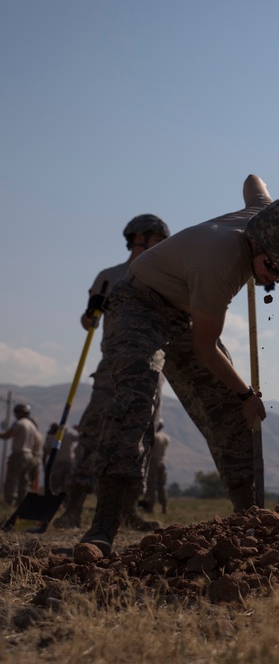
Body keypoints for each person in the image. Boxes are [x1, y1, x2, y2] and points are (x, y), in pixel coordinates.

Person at [77, 175, 279, 557]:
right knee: (135, 400)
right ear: (258, 243)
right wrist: (246, 392)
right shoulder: (219, 267)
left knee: (230, 411)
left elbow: (253, 182)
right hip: (139, 304)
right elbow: (205, 348)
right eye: (274, 268)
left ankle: (251, 520)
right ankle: (104, 526)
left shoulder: (268, 216)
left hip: (183, 309)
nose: (276, 279)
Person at [55, 214, 170, 530]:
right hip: (113, 367)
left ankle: (129, 510)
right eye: (154, 237)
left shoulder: (166, 275)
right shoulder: (109, 276)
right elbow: (87, 321)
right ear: (137, 238)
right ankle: (74, 507)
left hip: (150, 368)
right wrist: (91, 312)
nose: (159, 244)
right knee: (94, 430)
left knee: (142, 436)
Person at [0, 404, 44, 506]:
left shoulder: (19, 423)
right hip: (29, 456)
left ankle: (9, 502)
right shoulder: (32, 426)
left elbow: (8, 435)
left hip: (19, 455)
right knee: (24, 481)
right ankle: (21, 503)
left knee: (12, 480)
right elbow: (36, 442)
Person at [42, 422, 79, 495]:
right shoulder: (69, 435)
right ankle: (65, 502)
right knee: (67, 485)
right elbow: (80, 437)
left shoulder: (52, 438)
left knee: (54, 485)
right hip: (69, 463)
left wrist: (44, 465)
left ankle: (53, 501)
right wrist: (78, 430)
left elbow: (45, 452)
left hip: (56, 464)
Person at [142, 421, 170, 514]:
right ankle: (164, 506)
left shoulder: (154, 437)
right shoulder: (166, 438)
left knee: (151, 484)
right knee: (162, 485)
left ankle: (150, 507)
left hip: (153, 462)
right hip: (162, 462)